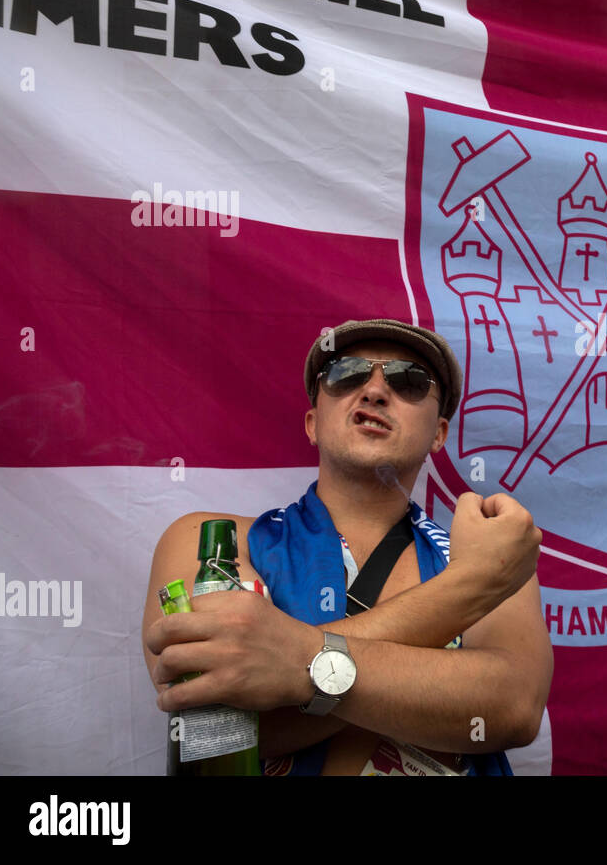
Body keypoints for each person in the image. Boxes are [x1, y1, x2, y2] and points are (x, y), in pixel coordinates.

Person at [143, 318, 552, 775]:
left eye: (409, 380)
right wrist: (470, 587)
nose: (375, 391)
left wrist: (291, 659)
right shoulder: (215, 543)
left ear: (439, 434)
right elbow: (219, 727)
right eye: (347, 374)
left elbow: (509, 708)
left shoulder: (491, 551)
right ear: (313, 423)